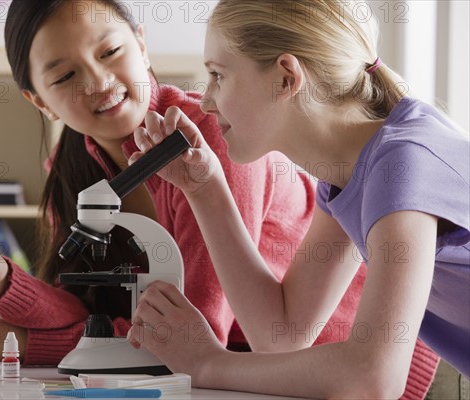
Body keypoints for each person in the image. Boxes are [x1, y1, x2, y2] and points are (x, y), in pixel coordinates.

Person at [0, 0, 314, 368]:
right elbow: (81, 306)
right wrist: (4, 284)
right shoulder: (69, 166)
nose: (98, 82)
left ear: (142, 45)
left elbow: (196, 336)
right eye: (65, 76)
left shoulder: (209, 140)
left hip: (302, 368)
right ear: (41, 103)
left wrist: (30, 345)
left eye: (110, 51)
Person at [127, 0, 468, 398]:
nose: (206, 100)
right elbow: (282, 335)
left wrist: (209, 364)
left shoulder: (402, 163)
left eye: (218, 75)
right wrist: (205, 190)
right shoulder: (349, 176)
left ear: (286, 78)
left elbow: (374, 378)